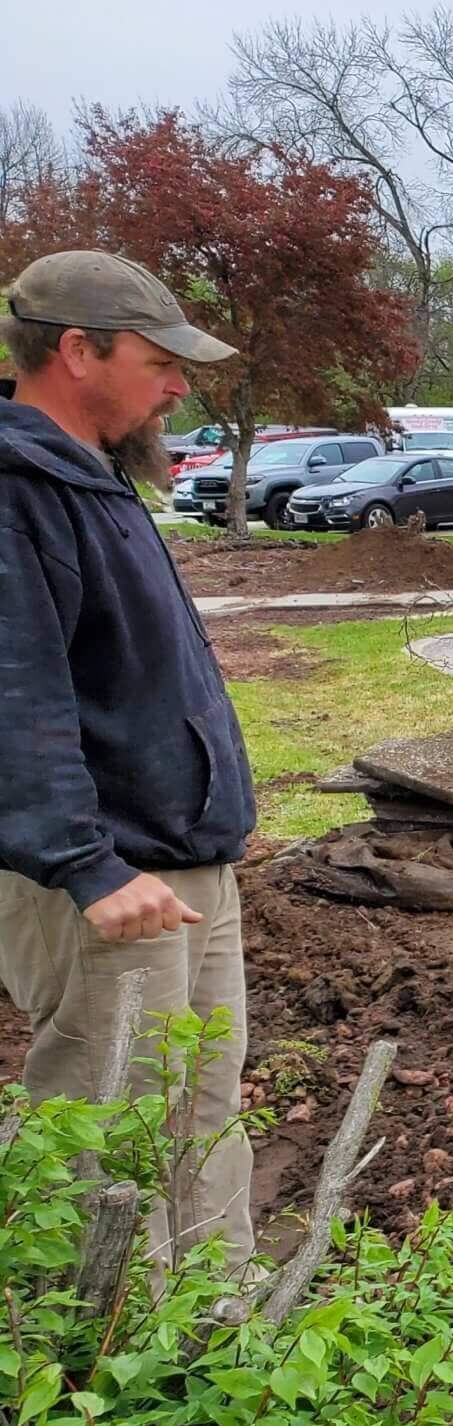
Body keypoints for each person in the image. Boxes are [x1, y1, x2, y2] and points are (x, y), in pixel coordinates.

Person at [0, 250, 258, 1266]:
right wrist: (86, 865)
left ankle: (221, 1329)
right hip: (110, 887)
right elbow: (14, 693)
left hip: (180, 869)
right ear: (77, 351)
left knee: (202, 1115)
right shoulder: (18, 492)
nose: (179, 387)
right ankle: (103, 1347)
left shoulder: (91, 479)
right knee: (106, 1135)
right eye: (160, 362)